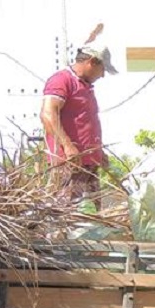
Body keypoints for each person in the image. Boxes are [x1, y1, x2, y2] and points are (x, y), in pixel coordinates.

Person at [39, 44, 117, 209]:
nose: (102, 75)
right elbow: (47, 114)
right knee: (67, 216)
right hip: (70, 164)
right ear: (92, 62)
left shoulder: (85, 86)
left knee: (91, 219)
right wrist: (67, 146)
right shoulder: (62, 80)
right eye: (102, 69)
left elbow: (84, 123)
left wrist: (98, 151)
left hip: (89, 165)